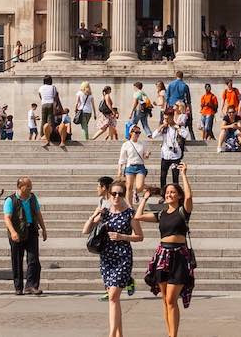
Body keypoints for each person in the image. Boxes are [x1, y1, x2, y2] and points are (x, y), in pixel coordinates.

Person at [89, 178, 142, 337]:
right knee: (114, 299)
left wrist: (122, 236)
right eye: (114, 193)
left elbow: (139, 236)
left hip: (123, 257)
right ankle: (119, 334)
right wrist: (94, 216)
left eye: (120, 194)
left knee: (113, 296)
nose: (117, 196)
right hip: (106, 257)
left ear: (124, 195)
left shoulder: (130, 213)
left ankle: (111, 334)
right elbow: (87, 229)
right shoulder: (105, 212)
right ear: (109, 194)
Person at [2, 176, 47, 295]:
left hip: (31, 230)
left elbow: (38, 213)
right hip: (17, 232)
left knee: (34, 260)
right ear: (20, 187)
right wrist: (13, 232)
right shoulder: (10, 200)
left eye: (30, 185)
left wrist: (43, 228)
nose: (30, 188)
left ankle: (31, 286)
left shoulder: (32, 198)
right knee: (17, 260)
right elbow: (7, 218)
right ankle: (18, 287)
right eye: (28, 186)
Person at [119, 127, 150, 199]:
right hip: (130, 166)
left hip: (140, 166)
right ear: (131, 133)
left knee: (140, 186)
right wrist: (119, 169)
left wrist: (147, 155)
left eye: (139, 132)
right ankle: (129, 206)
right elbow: (122, 158)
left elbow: (145, 156)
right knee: (129, 187)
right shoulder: (126, 144)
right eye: (136, 132)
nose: (138, 134)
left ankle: (135, 192)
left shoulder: (142, 143)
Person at [157, 114, 185, 189]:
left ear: (171, 118)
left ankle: (176, 194)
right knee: (163, 176)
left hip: (175, 156)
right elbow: (154, 135)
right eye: (164, 118)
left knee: (175, 177)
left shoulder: (177, 127)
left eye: (167, 118)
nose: (166, 120)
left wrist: (178, 128)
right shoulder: (164, 128)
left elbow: (185, 135)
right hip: (165, 156)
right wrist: (162, 126)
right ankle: (163, 194)